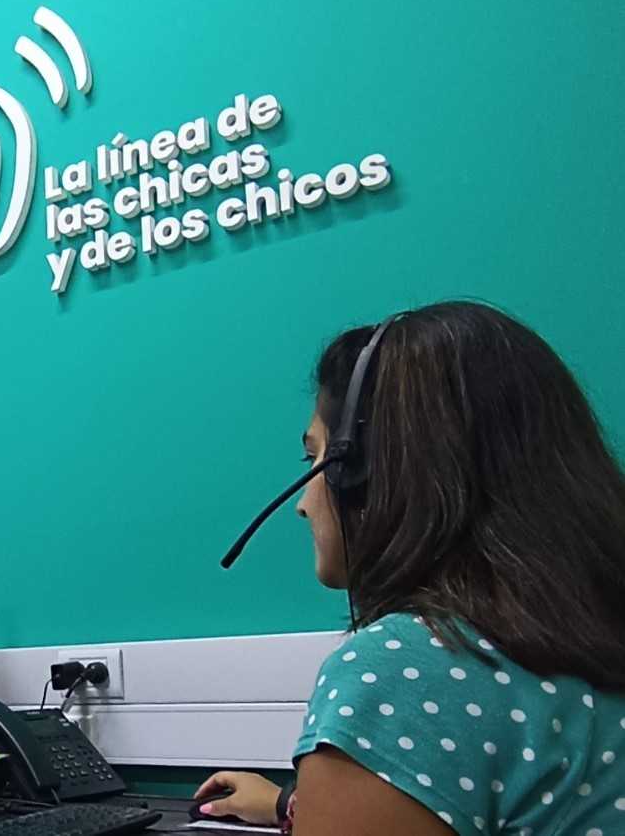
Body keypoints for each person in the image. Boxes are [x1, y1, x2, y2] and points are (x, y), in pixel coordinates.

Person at [195, 302, 625, 834]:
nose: (303, 504)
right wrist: (294, 805)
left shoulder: (403, 674)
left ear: (362, 469)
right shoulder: (590, 640)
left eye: (315, 460)